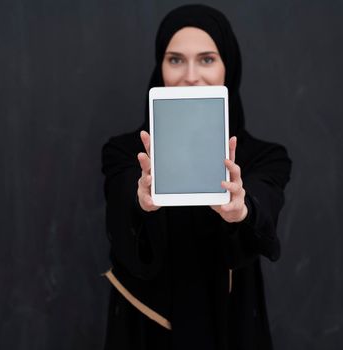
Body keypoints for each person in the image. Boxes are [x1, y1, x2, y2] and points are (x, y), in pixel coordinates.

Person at [101, 4, 292, 350]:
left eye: (206, 59)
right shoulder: (124, 151)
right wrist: (139, 199)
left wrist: (243, 208)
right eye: (175, 59)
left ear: (227, 68)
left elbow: (265, 200)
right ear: (160, 67)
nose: (190, 75)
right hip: (145, 331)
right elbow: (120, 203)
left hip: (231, 327)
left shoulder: (264, 157)